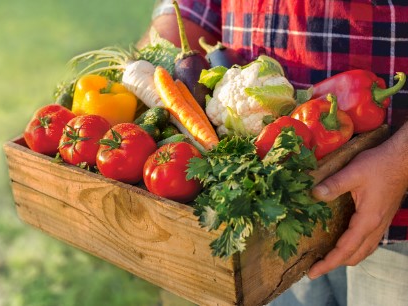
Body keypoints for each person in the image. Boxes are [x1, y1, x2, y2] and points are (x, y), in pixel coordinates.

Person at [141, 1, 408, 305]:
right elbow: (190, 10)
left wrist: (401, 162)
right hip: (265, 222)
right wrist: (143, 73)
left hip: (395, 222)